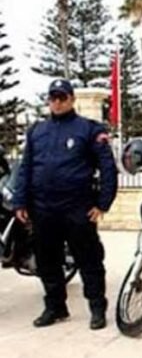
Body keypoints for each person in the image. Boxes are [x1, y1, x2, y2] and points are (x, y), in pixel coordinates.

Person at [12, 79, 118, 330]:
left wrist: (103, 203)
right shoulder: (37, 131)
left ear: (72, 99)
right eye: (53, 98)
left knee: (89, 260)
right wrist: (20, 202)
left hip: (77, 208)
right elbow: (25, 168)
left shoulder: (89, 130)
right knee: (47, 261)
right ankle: (55, 307)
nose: (57, 103)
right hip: (43, 208)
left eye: (62, 98)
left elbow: (108, 169)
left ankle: (97, 308)